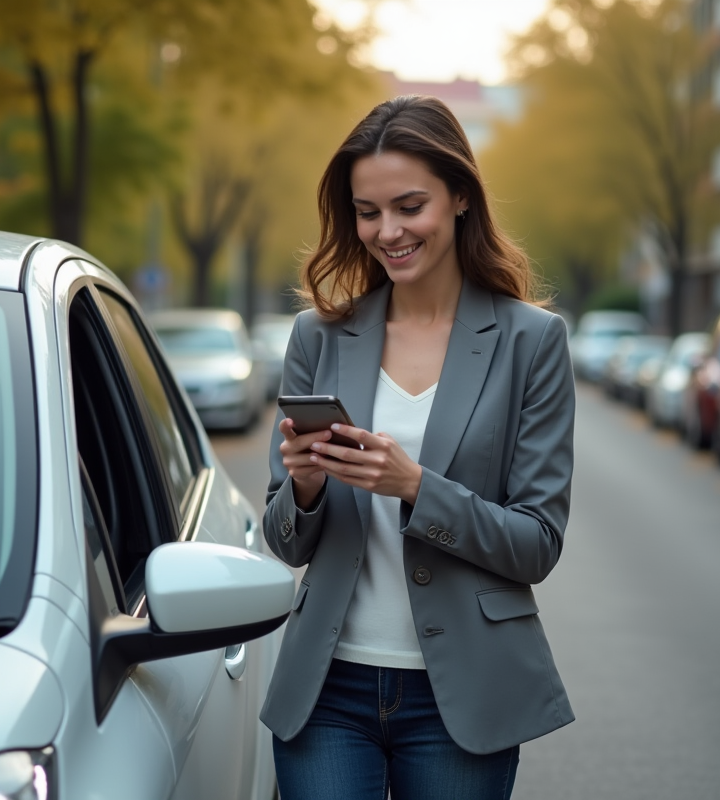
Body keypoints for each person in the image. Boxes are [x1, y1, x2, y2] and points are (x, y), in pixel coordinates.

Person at [260, 95, 575, 800]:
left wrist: (415, 487)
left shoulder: (532, 342)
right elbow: (284, 540)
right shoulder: (318, 335)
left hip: (462, 696)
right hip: (327, 690)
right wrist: (305, 487)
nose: (387, 231)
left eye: (409, 206)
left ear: (460, 195)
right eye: (368, 212)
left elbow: (538, 543)